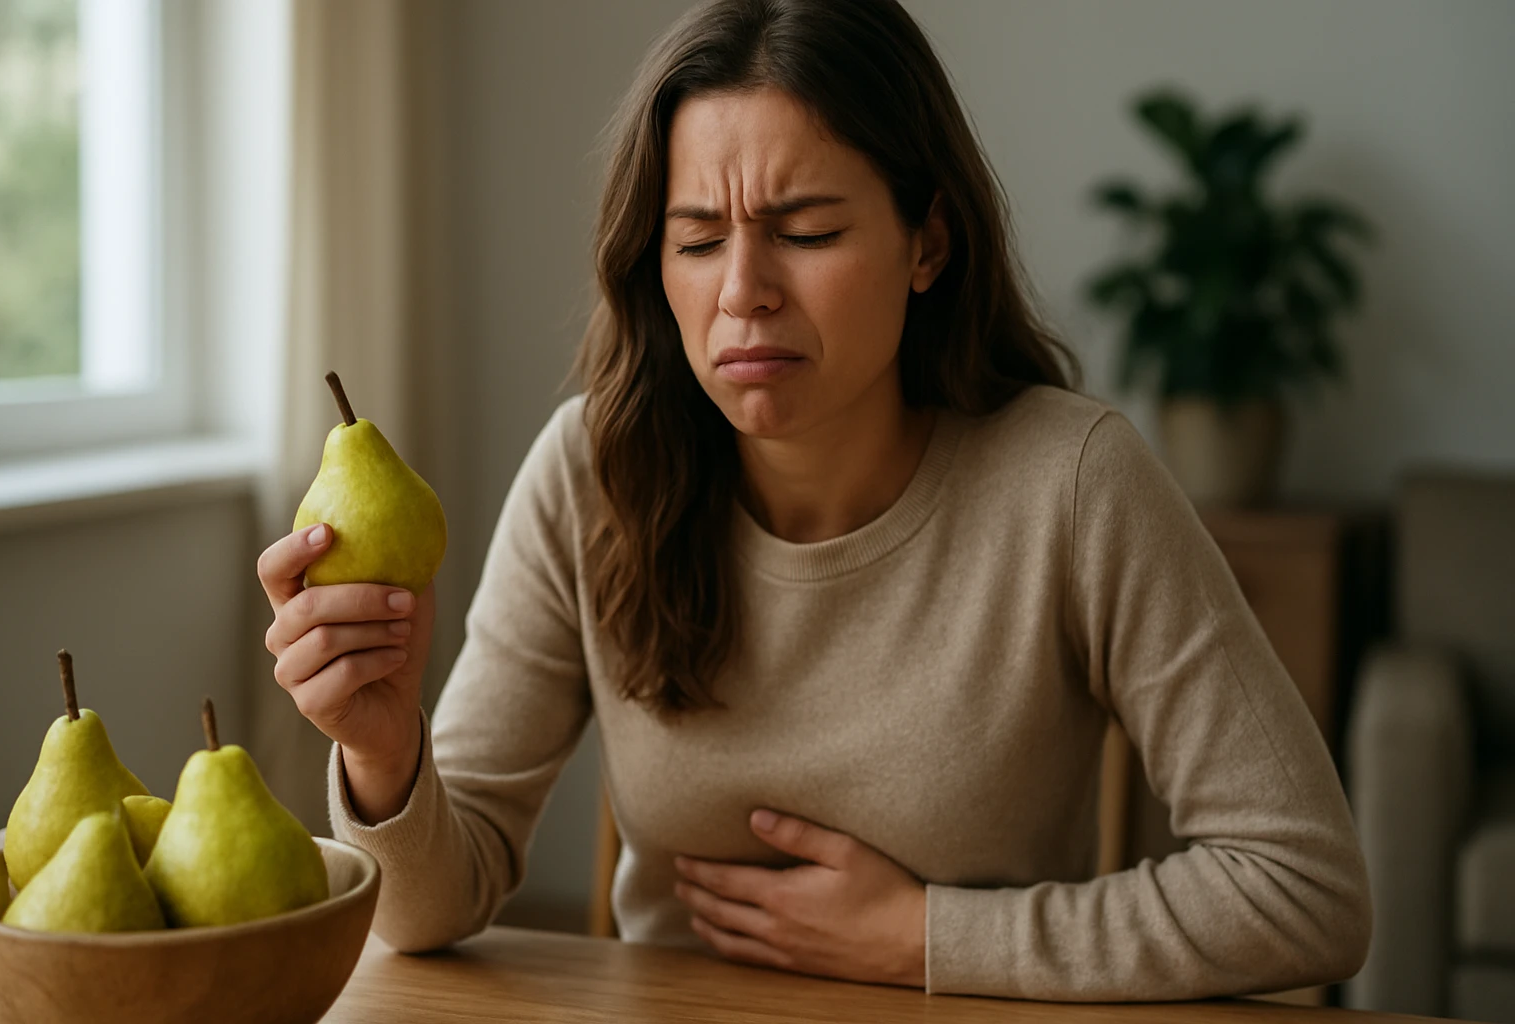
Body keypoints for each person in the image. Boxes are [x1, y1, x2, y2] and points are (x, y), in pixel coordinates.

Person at [257, 0, 1370, 1002]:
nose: (743, 293)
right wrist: (383, 749)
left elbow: (1307, 890)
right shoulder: (590, 471)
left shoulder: (1075, 484)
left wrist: (926, 937)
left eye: (807, 232)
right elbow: (425, 912)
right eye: (697, 241)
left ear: (926, 241)